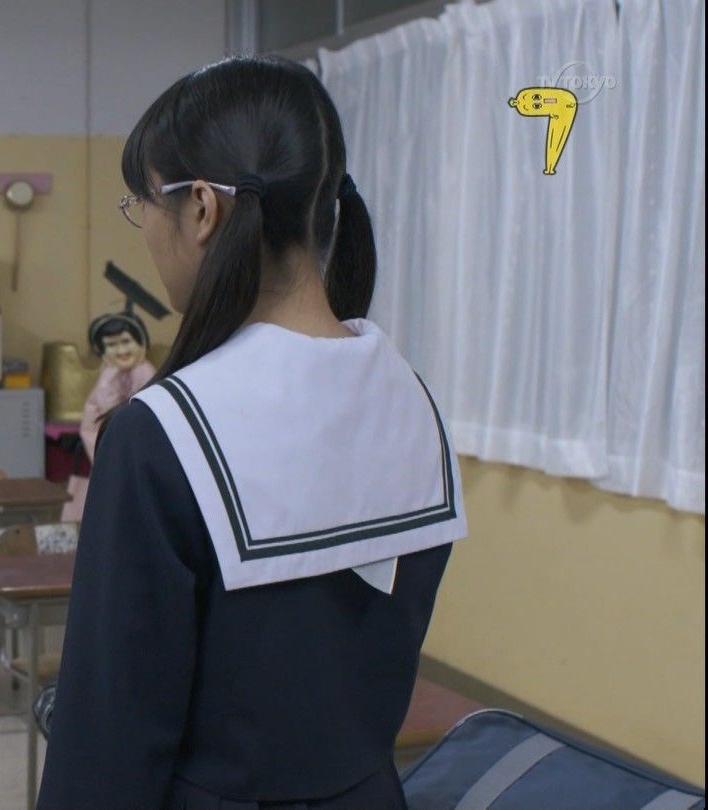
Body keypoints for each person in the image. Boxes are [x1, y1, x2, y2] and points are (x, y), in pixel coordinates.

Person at [37, 56, 467, 810]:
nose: (146, 232)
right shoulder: (410, 399)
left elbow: (108, 742)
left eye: (144, 204)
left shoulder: (163, 433)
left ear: (201, 209)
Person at [61, 310, 156, 521]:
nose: (121, 350)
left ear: (141, 343)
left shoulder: (146, 374)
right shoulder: (109, 373)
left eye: (126, 342)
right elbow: (96, 414)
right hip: (103, 449)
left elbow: (126, 414)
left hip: (132, 455)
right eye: (112, 345)